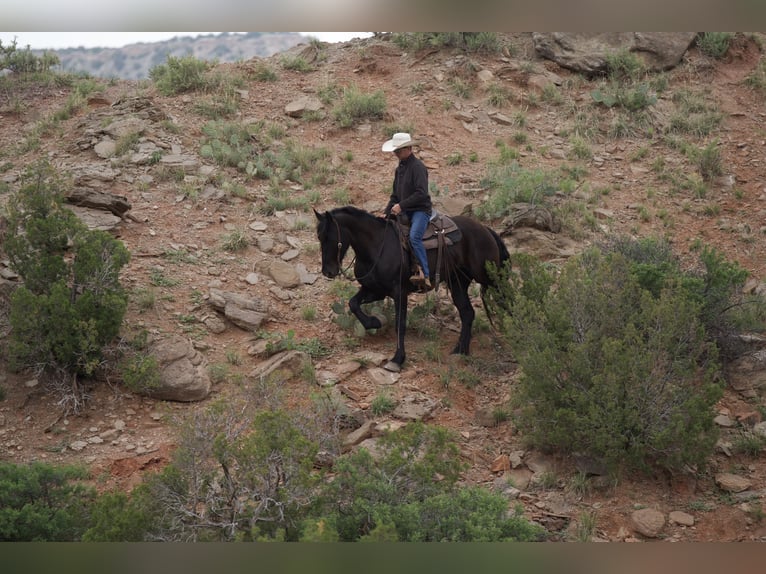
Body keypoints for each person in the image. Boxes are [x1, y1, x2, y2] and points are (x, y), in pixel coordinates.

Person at [381, 132, 433, 290]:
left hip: (420, 210)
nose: (395, 153)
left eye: (398, 150)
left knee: (414, 237)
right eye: (395, 150)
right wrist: (387, 212)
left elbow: (421, 193)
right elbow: (395, 195)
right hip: (405, 211)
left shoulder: (418, 167)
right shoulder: (400, 169)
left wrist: (401, 206)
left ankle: (425, 273)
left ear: (409, 148)